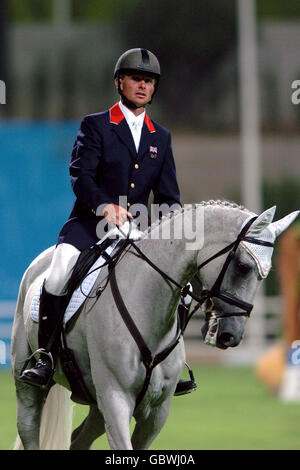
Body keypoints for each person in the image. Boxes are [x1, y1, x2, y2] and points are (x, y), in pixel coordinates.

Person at [20, 48, 196, 396]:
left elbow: (167, 196)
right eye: (136, 78)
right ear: (120, 82)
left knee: (183, 286)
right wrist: (104, 206)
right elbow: (80, 175)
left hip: (138, 231)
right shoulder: (96, 125)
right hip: (89, 225)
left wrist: (171, 224)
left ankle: (170, 361)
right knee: (57, 274)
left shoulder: (160, 137)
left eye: (149, 81)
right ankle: (44, 356)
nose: (143, 85)